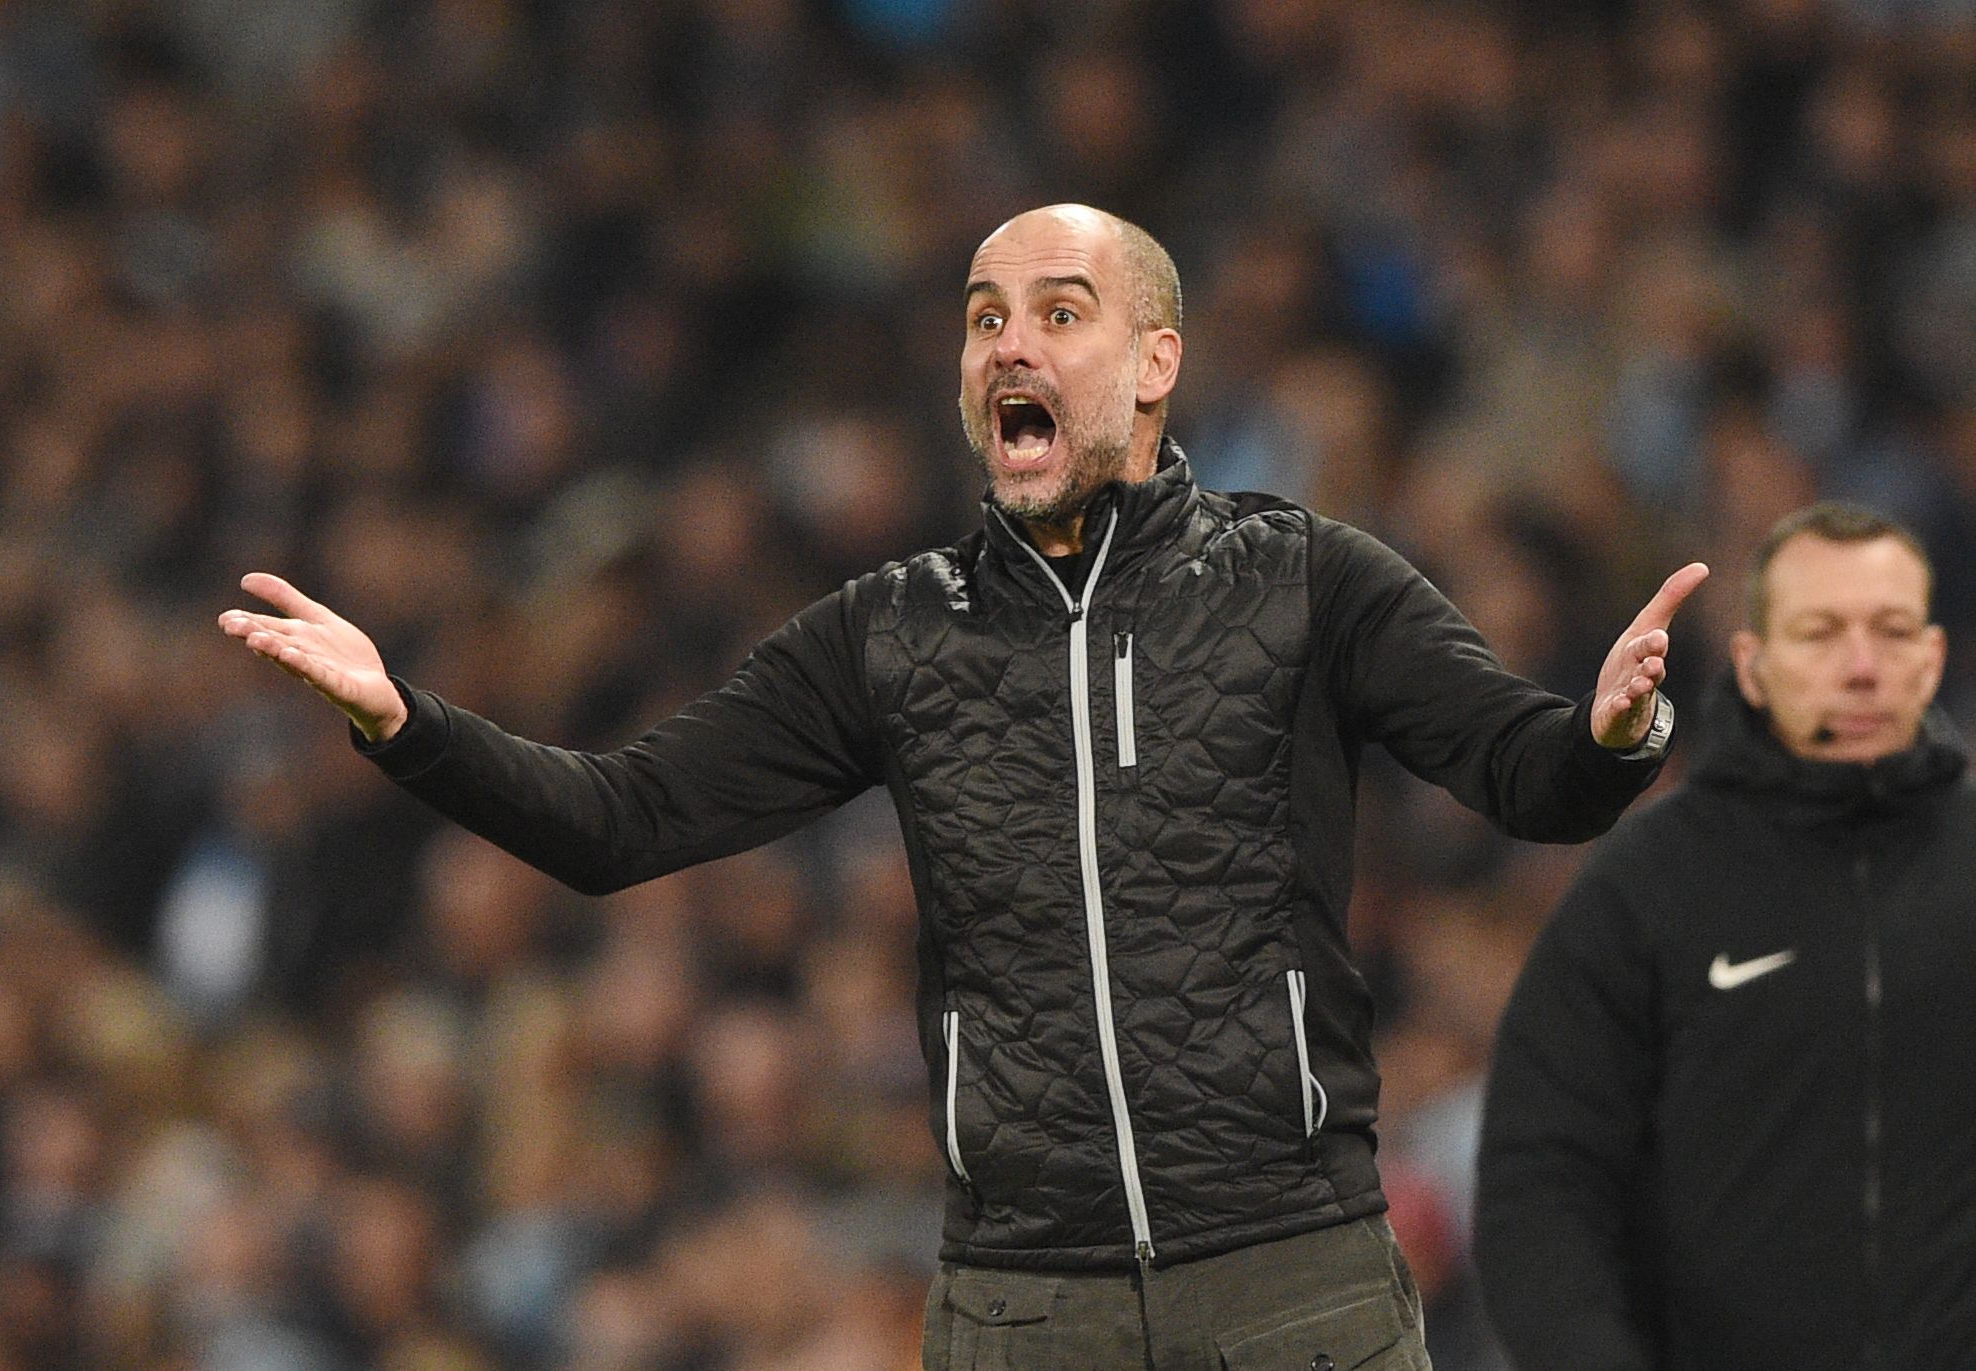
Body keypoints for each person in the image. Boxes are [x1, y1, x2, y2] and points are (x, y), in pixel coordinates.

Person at [222, 203, 1704, 1370]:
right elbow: (621, 821)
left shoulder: (1309, 581)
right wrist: (407, 718)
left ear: (1156, 362)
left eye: (1061, 314)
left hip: (1293, 1282)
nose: (1010, 346)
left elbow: (1531, 778)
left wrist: (1609, 733)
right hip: (1021, 1309)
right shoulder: (892, 629)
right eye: (985, 317)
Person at [1475, 501, 1976, 1371]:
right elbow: (1541, 1178)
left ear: (1932, 659)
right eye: (1820, 633)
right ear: (1751, 665)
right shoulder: (1649, 884)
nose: (1862, 667)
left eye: (1892, 632)